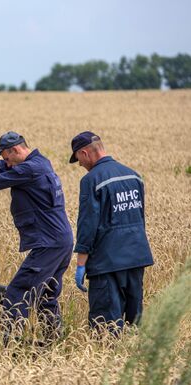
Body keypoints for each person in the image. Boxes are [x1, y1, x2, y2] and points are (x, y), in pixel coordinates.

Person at [0, 132, 73, 333]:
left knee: (18, 292)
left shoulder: (29, 169)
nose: (6, 163)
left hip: (48, 243)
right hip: (59, 241)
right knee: (46, 295)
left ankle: (10, 341)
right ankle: (53, 337)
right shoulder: (37, 162)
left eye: (6, 157)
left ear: (16, 150)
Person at [70, 131, 154, 332]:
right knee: (134, 323)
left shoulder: (91, 180)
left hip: (107, 262)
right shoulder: (133, 175)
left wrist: (81, 263)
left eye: (78, 159)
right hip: (136, 257)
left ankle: (106, 362)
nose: (79, 164)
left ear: (85, 153)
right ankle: (135, 360)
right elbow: (139, 218)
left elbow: (87, 224)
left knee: (105, 326)